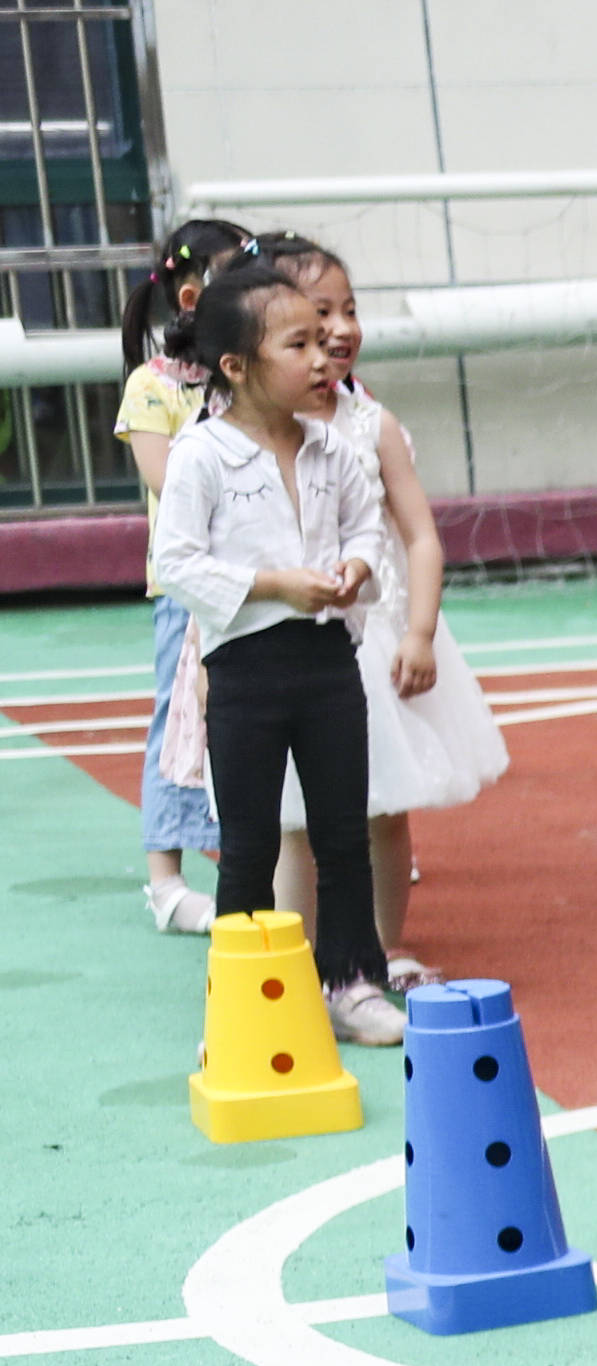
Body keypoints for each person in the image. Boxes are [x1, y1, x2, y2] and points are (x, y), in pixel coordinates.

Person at [147, 260, 401, 1044]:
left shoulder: (332, 449)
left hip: (328, 663)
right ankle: (241, 1008)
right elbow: (178, 561)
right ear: (238, 367)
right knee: (249, 846)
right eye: (300, 344)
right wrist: (273, 585)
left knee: (341, 836)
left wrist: (356, 566)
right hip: (246, 672)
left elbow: (365, 527)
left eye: (325, 342)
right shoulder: (202, 455)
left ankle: (353, 983)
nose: (323, 358)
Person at [249, 237, 506, 988]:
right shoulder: (243, 437)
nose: (338, 327)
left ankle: (385, 949)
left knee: (384, 810)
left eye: (348, 309)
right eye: (314, 314)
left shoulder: (371, 424)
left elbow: (420, 535)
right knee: (296, 822)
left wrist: (420, 630)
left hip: (377, 642)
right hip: (287, 651)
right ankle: (298, 963)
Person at [114, 216, 246, 935]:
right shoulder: (152, 386)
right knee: (179, 718)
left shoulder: (244, 374)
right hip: (187, 588)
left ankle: (254, 854)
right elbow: (168, 478)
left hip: (252, 582)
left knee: (245, 718)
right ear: (193, 299)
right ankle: (166, 879)